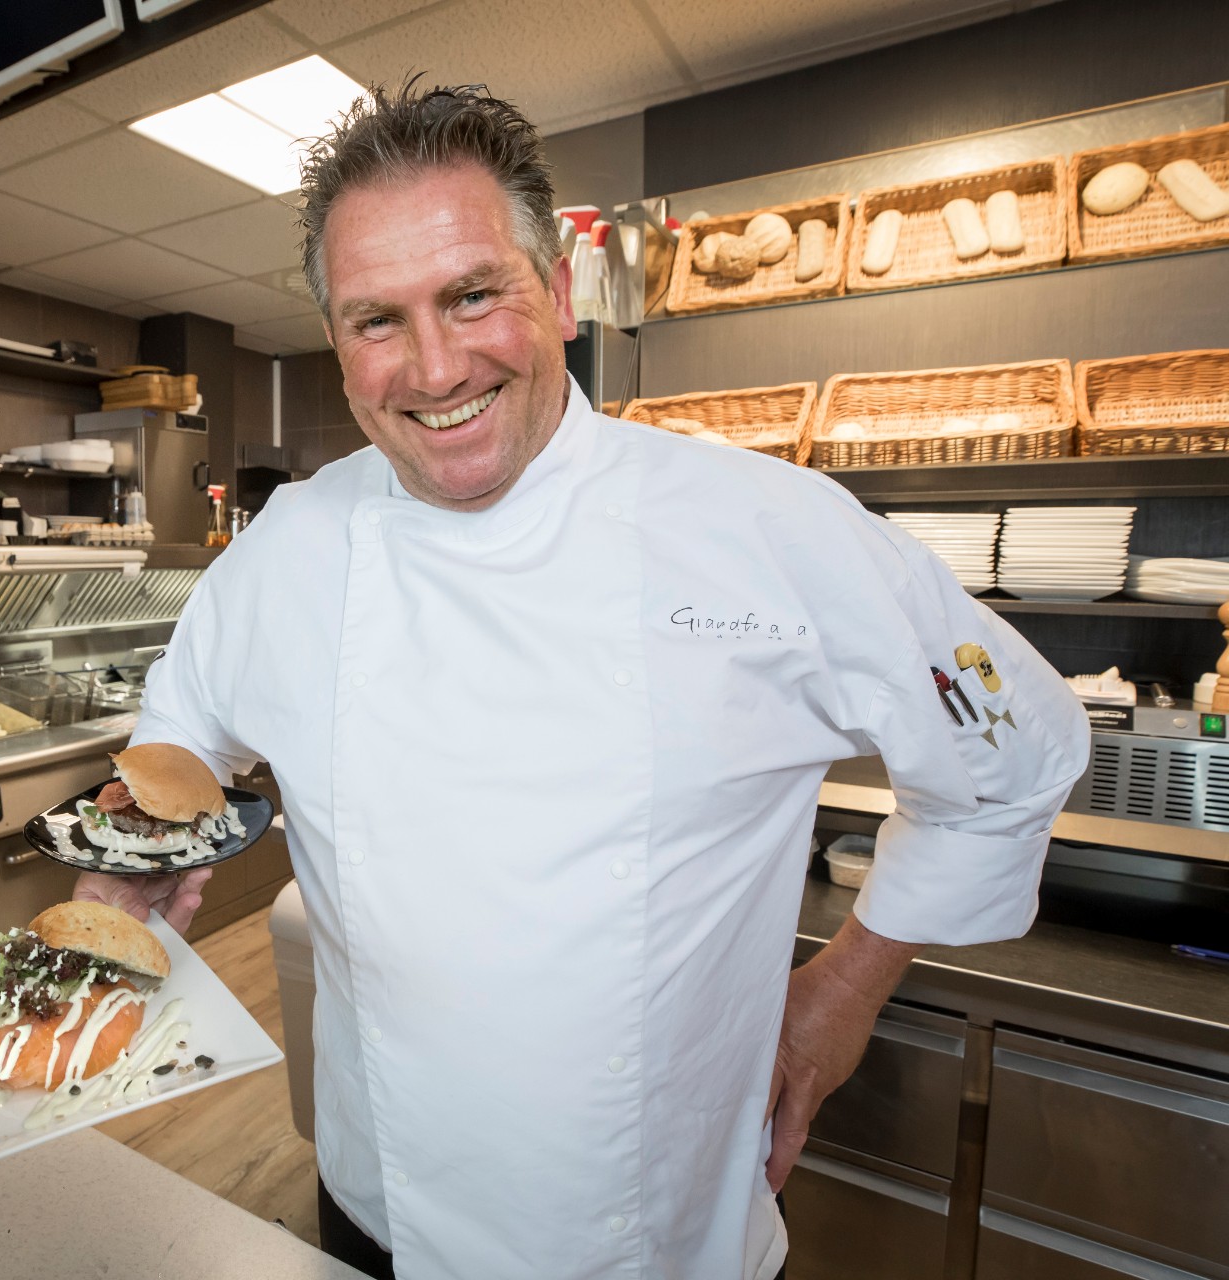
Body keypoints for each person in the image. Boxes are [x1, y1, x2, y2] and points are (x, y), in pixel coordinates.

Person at [77, 82, 1089, 1279]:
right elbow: (187, 724)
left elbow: (1013, 747)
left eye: (472, 293)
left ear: (557, 288)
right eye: (376, 320)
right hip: (373, 1204)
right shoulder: (291, 542)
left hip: (647, 1232)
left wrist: (843, 989)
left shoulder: (763, 527)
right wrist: (149, 853)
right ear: (336, 339)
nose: (435, 365)